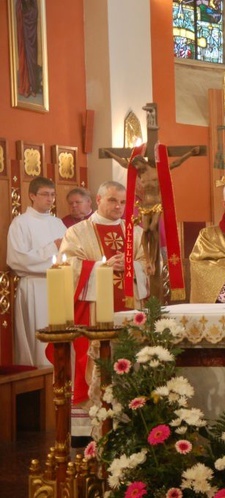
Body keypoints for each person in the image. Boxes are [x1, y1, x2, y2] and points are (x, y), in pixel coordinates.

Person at [59, 181, 151, 440]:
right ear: (98, 199)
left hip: (130, 311)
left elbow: (149, 266)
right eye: (112, 200)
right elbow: (68, 266)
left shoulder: (136, 233)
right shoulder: (77, 232)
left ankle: (129, 419)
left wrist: (133, 266)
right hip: (93, 312)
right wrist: (103, 266)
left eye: (122, 202)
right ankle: (89, 428)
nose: (118, 207)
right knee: (93, 364)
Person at [7, 176, 66, 367]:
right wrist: (51, 248)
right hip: (34, 286)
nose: (50, 199)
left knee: (60, 334)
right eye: (45, 195)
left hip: (58, 286)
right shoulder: (21, 223)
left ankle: (62, 378)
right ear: (32, 195)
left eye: (52, 195)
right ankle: (39, 376)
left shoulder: (58, 223)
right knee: (38, 337)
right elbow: (17, 259)